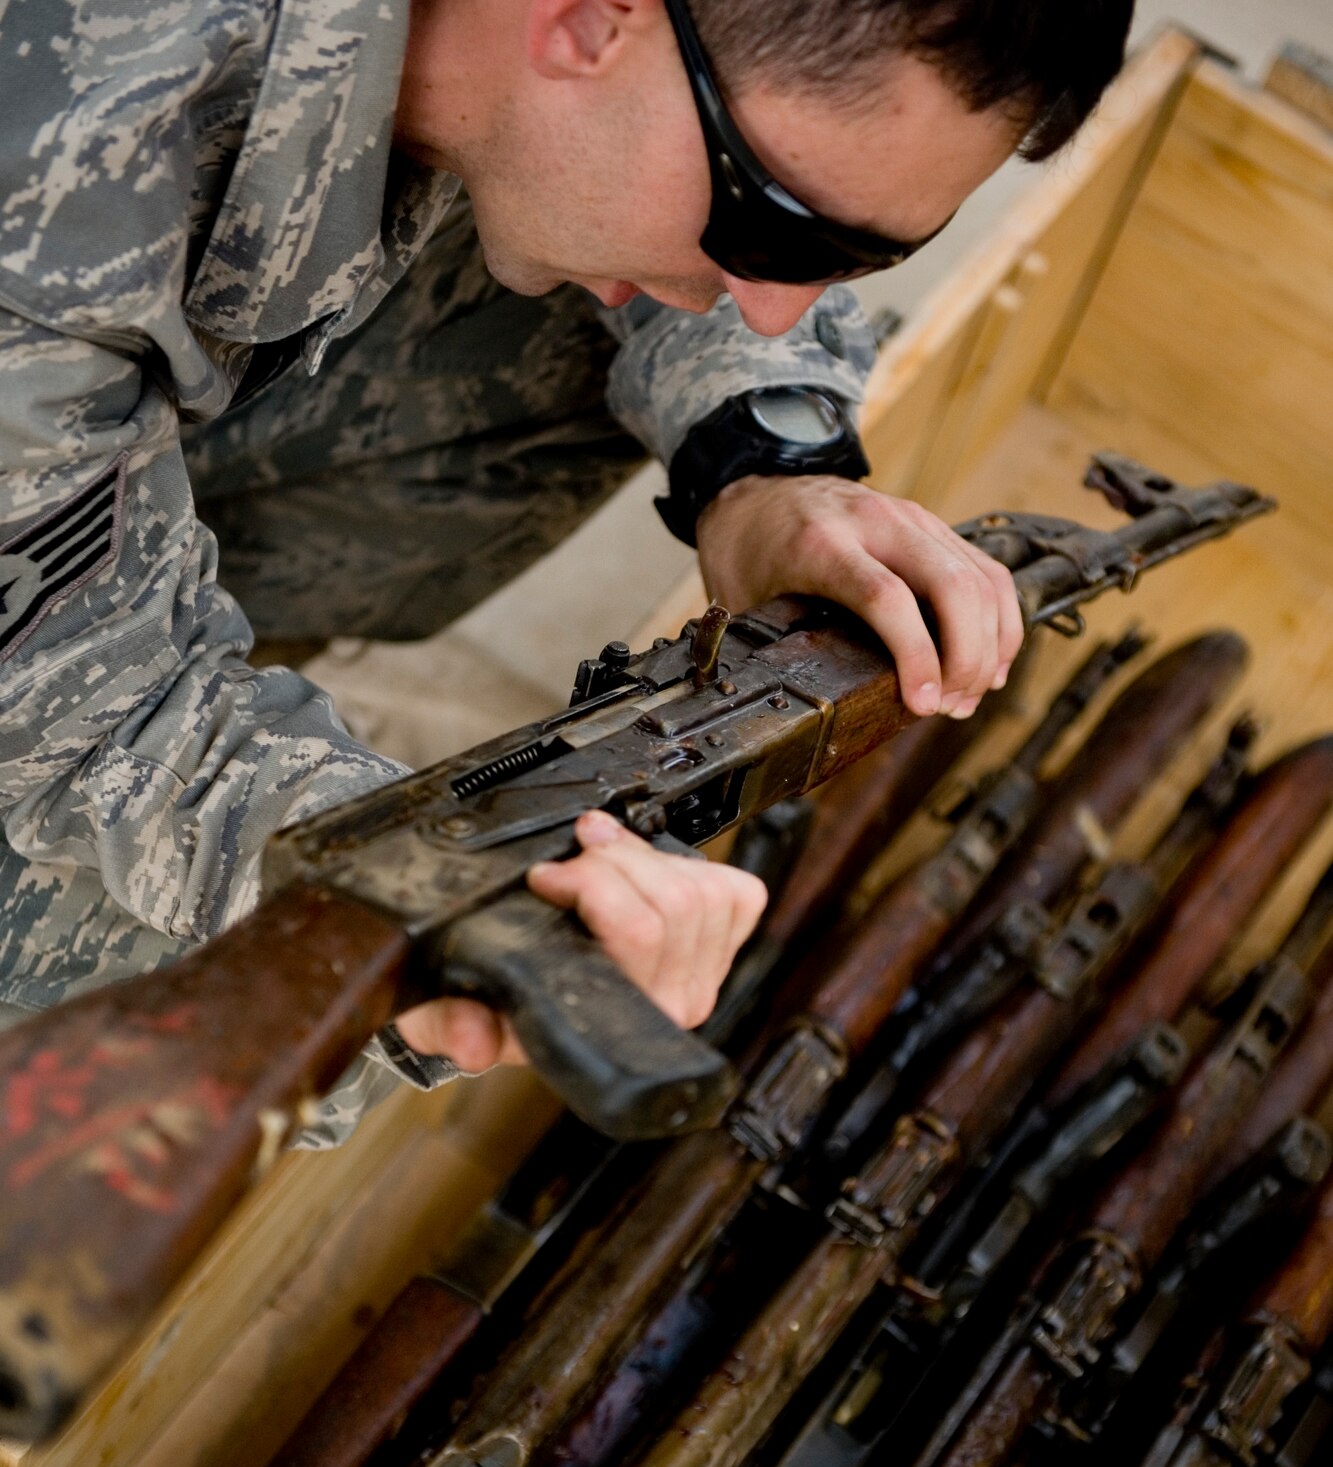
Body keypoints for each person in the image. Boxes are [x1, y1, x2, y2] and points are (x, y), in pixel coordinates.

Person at [0, 0, 1131, 1136]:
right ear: (592, 21)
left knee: (609, 280)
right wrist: (439, 912)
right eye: (782, 229)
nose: (779, 305)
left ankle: (118, 555)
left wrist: (765, 467)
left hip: (62, 445)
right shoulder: (66, 173)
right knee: (196, 984)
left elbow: (706, 263)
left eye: (862, 255)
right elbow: (93, 725)